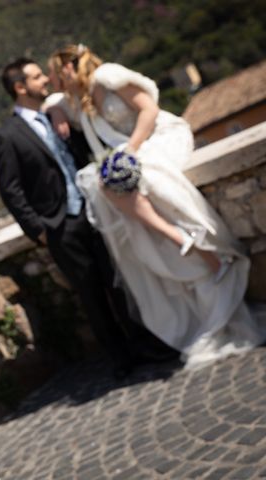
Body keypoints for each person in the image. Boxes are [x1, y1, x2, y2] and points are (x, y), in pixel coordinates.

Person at [46, 44, 265, 367]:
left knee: (122, 181)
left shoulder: (108, 76)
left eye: (55, 75)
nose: (55, 84)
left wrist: (130, 151)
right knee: (107, 185)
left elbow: (148, 110)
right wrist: (55, 108)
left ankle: (189, 241)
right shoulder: (79, 100)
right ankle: (183, 241)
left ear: (68, 67)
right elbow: (53, 101)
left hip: (161, 136)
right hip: (136, 150)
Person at [0, 57, 167, 378]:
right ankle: (121, 359)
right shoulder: (7, 136)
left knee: (117, 280)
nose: (45, 79)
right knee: (91, 294)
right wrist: (40, 231)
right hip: (59, 226)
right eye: (36, 77)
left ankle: (145, 344)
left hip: (92, 209)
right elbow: (11, 190)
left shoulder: (54, 114)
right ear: (19, 87)